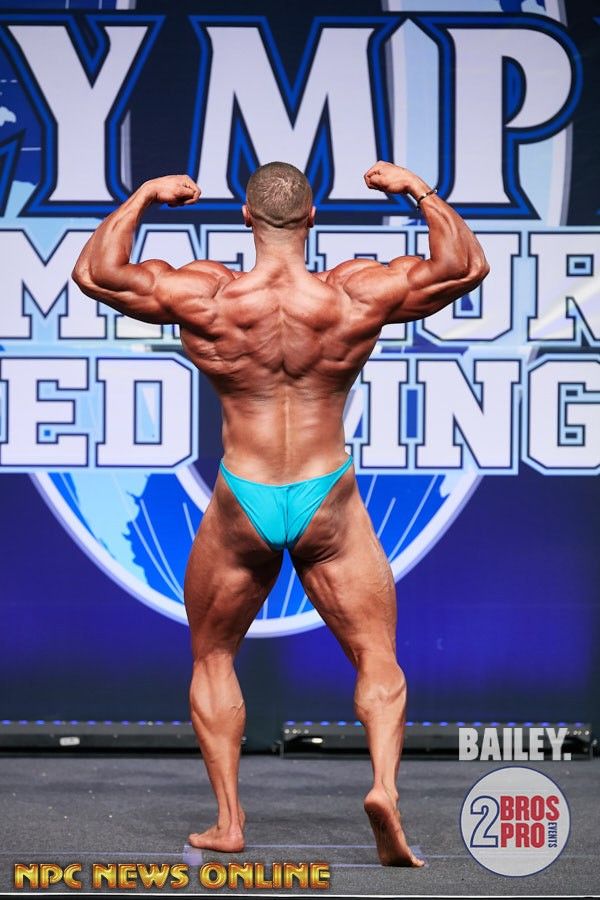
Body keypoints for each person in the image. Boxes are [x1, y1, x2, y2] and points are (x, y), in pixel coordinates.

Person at [72, 161, 489, 867]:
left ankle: (230, 822)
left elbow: (96, 274)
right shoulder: (352, 294)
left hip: (245, 494)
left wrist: (144, 196)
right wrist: (415, 189)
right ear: (312, 218)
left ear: (245, 218)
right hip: (327, 495)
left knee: (213, 656)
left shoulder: (210, 296)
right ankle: (384, 788)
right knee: (377, 655)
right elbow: (465, 265)